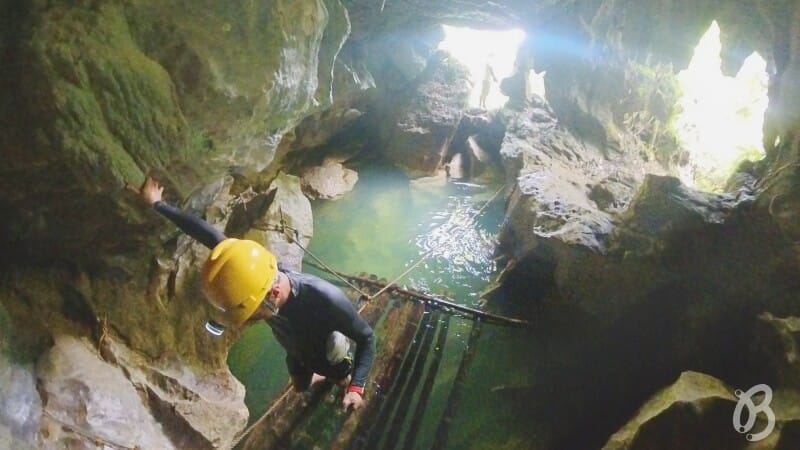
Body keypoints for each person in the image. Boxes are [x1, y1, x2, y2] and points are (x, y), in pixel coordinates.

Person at [137, 177, 375, 411]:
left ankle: (341, 382)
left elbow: (366, 338)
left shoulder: (325, 297)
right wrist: (159, 204)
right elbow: (211, 238)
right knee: (300, 385)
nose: (249, 318)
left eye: (252, 311)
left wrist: (356, 387)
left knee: (337, 369)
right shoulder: (253, 271)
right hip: (294, 346)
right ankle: (312, 379)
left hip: (324, 348)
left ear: (272, 294)